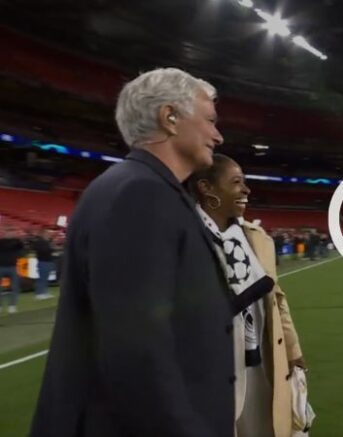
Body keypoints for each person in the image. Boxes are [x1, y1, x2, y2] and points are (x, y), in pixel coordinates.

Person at [30, 67, 233, 437]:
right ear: (170, 117)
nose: (217, 135)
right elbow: (138, 352)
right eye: (209, 120)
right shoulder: (142, 195)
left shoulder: (139, 187)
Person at [188, 153, 307, 437]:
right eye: (236, 182)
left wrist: (293, 351)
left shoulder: (258, 239)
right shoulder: (186, 238)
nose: (246, 190)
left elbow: (276, 300)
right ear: (206, 188)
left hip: (260, 363)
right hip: (214, 369)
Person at [0, 227, 24, 314]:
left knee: (15, 287)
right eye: (9, 232)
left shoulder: (17, 242)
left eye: (12, 232)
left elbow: (21, 248)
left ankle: (12, 306)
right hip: (1, 266)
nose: (10, 234)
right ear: (5, 233)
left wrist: (19, 240)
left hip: (13, 267)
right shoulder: (1, 242)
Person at [30, 228, 55, 300]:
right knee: (42, 279)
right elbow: (44, 251)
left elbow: (48, 250)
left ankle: (45, 292)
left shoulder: (46, 242)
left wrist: (51, 248)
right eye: (47, 234)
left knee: (46, 278)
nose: (49, 235)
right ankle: (39, 294)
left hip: (48, 261)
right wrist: (51, 248)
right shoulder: (39, 242)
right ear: (42, 234)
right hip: (43, 262)